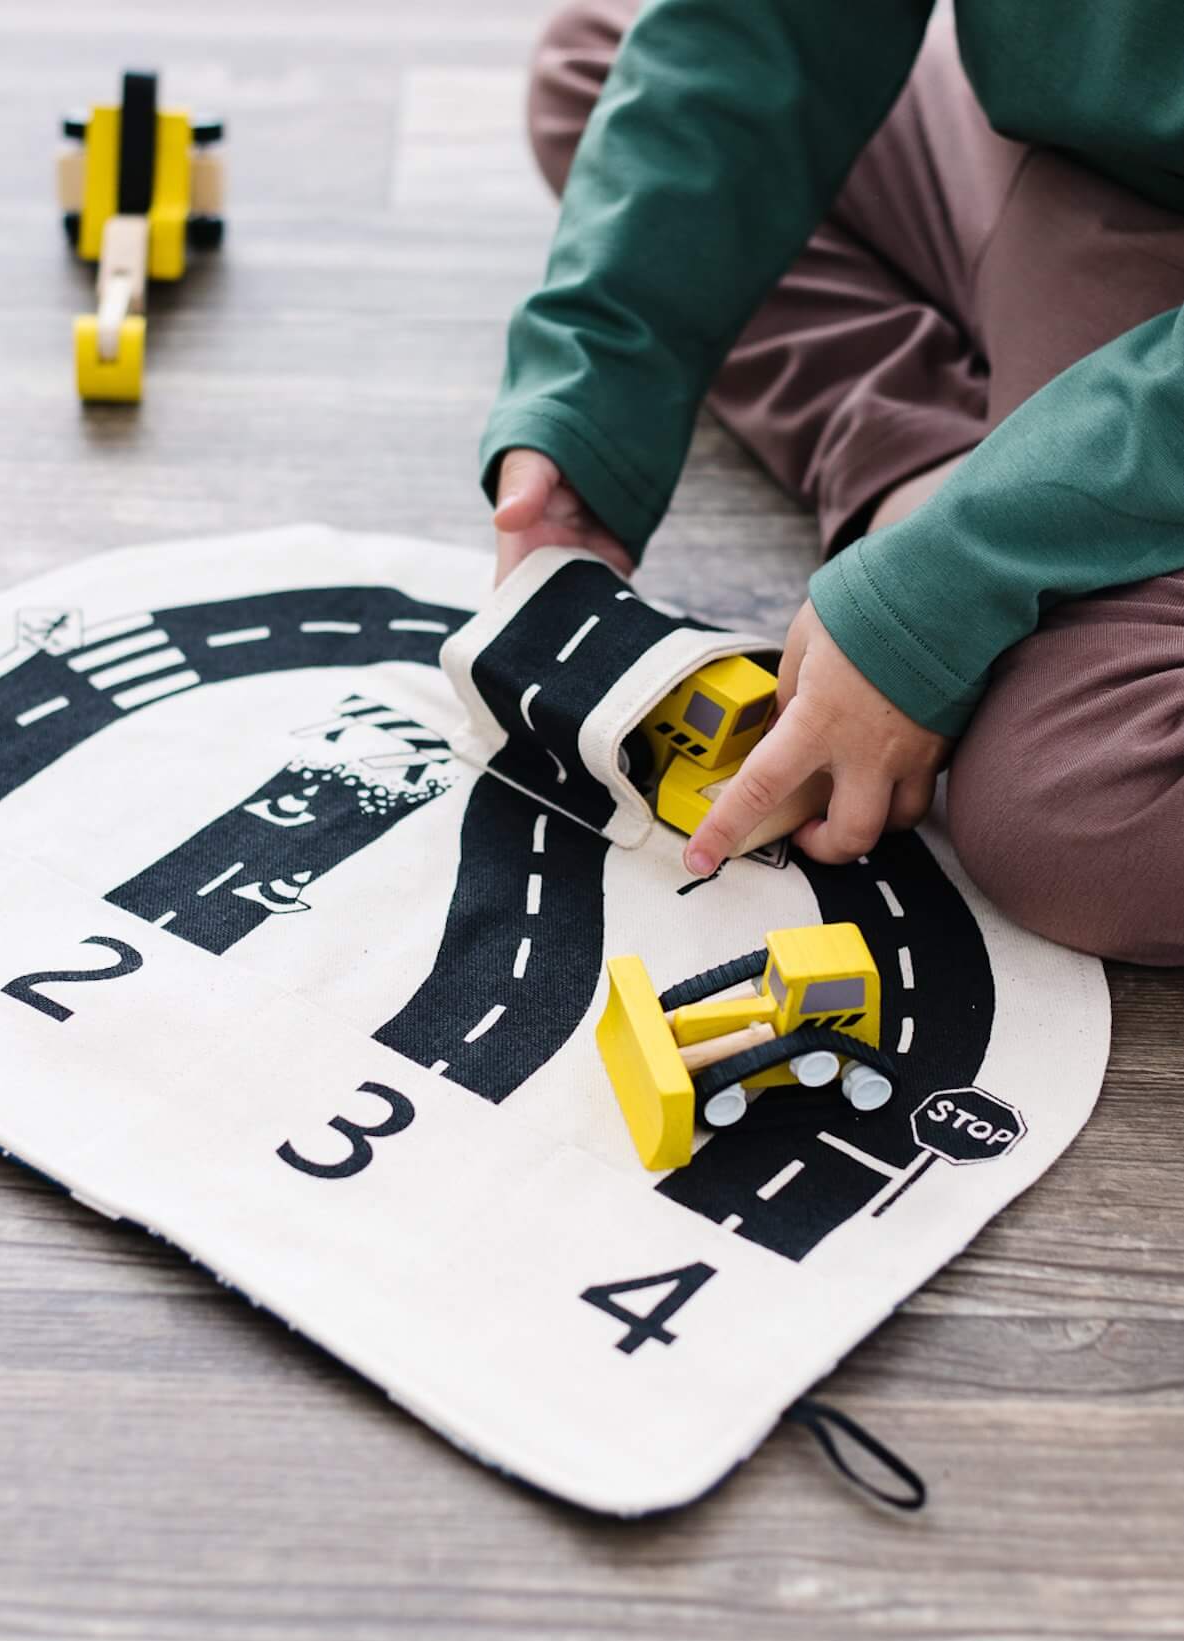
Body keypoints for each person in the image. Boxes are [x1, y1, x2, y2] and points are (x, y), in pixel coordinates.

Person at [483, 0, 1184, 963]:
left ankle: (992, 487)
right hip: (1079, 166)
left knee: (1082, 821)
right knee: (604, 67)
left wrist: (955, 576)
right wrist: (599, 375)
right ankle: (930, 467)